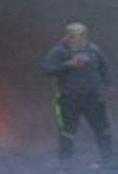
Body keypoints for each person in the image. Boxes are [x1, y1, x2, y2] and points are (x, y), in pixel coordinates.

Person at [42, 22, 113, 164]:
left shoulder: (94, 50)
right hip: (69, 98)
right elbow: (46, 70)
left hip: (93, 96)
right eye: (74, 35)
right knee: (67, 130)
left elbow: (104, 67)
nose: (78, 38)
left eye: (81, 34)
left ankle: (108, 159)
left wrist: (109, 85)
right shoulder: (59, 51)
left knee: (102, 128)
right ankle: (65, 161)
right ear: (67, 36)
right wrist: (67, 65)